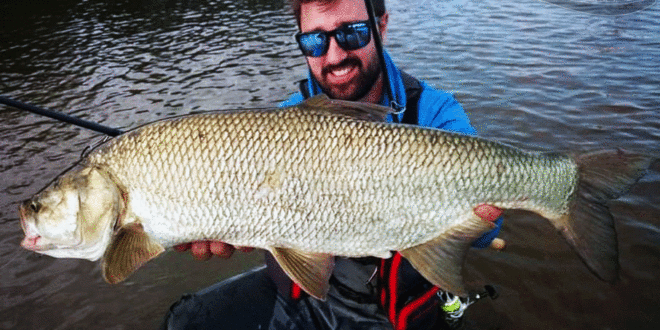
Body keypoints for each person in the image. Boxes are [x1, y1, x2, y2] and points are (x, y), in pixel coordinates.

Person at [163, 1, 504, 329]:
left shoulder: (434, 113)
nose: (335, 55)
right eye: (315, 41)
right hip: (309, 298)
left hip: (395, 313)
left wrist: (475, 214)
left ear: (381, 26)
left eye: (352, 33)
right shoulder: (279, 123)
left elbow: (489, 232)